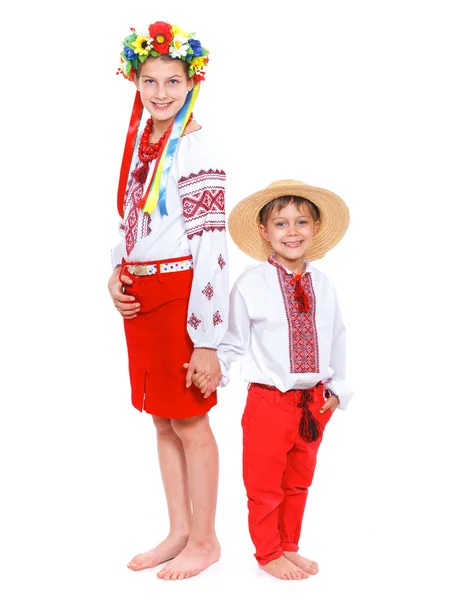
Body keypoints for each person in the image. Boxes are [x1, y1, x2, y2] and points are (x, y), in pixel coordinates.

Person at [108, 20, 229, 581]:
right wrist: (116, 271)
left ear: (191, 82)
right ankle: (179, 528)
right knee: (162, 418)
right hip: (143, 296)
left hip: (181, 297)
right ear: (136, 80)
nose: (160, 92)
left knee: (190, 420)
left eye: (172, 81)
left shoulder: (195, 144)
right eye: (150, 80)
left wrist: (206, 339)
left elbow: (211, 241)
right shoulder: (142, 140)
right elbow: (134, 222)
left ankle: (205, 539)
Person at [191, 179, 353, 580]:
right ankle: (268, 554)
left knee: (298, 482)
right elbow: (232, 341)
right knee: (264, 486)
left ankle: (288, 546)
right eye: (281, 224)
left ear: (315, 228)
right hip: (269, 402)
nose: (292, 231)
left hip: (313, 404)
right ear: (264, 232)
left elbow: (337, 337)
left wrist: (337, 390)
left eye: (301, 222)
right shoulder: (251, 284)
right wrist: (216, 372)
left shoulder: (324, 285)